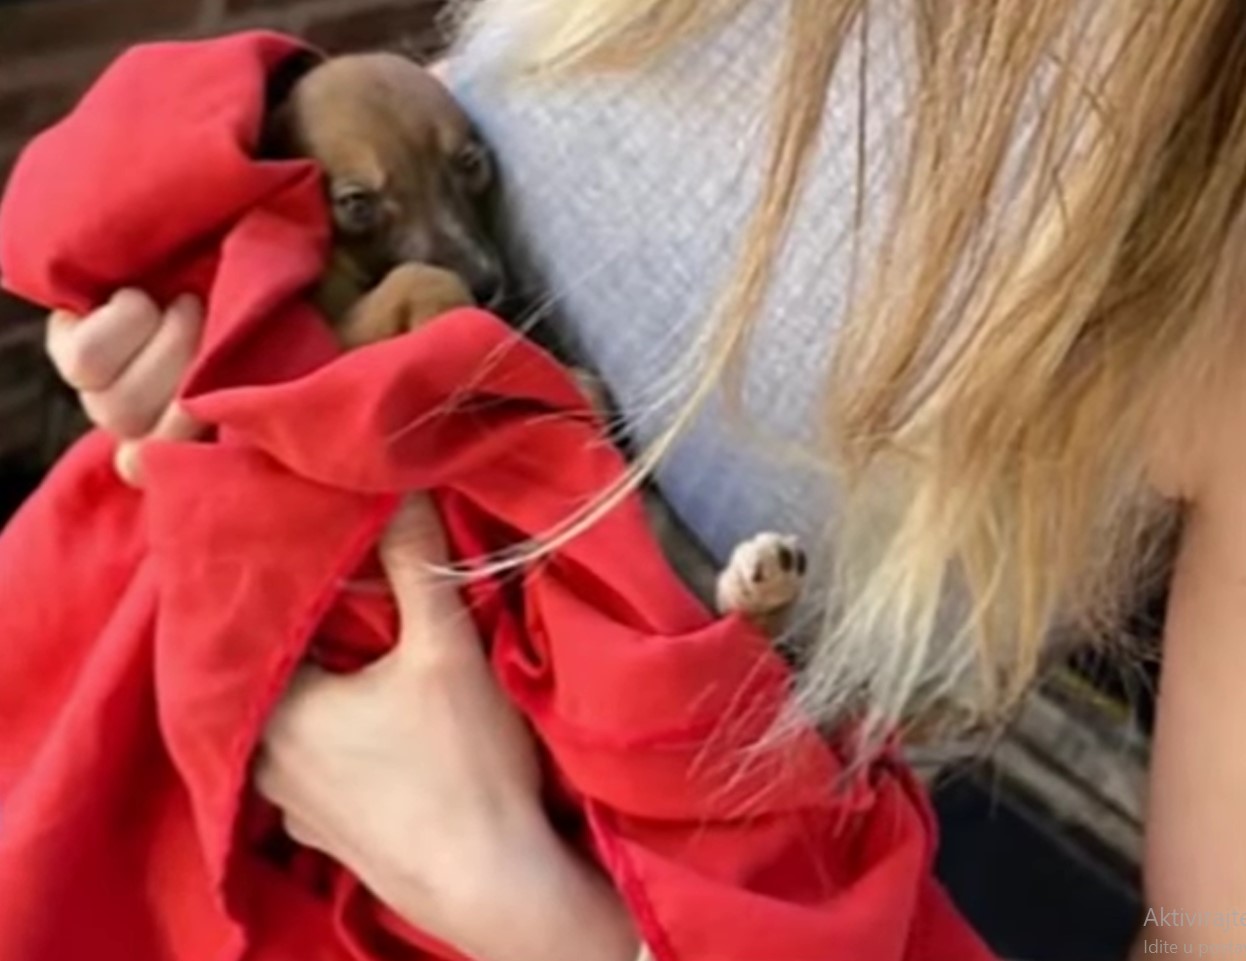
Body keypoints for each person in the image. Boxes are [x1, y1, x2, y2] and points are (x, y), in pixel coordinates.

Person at [41, 0, 1246, 957]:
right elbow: (437, 160)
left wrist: (545, 925)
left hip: (613, 877)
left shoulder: (1211, 220)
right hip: (189, 717)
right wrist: (233, 311)